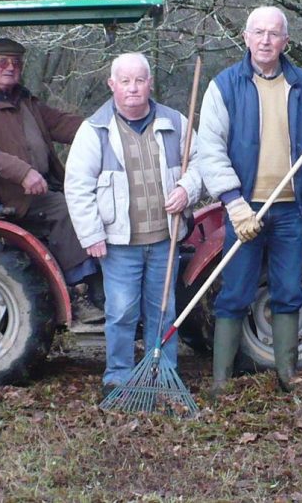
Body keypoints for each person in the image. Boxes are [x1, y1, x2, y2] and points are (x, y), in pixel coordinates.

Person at [196, 6, 302, 396]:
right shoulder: (225, 86)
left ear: (285, 42)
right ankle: (222, 380)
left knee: (288, 290)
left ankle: (287, 374)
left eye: (274, 34)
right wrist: (233, 202)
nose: (265, 40)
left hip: (292, 210)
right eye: (258, 32)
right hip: (245, 210)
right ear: (245, 37)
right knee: (236, 292)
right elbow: (209, 148)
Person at [63, 53, 203, 394]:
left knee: (163, 310)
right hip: (118, 242)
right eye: (125, 81)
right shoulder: (94, 130)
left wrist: (188, 188)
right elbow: (77, 186)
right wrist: (92, 234)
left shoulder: (176, 123)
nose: (133, 88)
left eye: (139, 80)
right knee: (122, 312)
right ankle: (118, 375)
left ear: (150, 83)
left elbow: (202, 162)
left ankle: (163, 372)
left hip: (164, 239)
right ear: (112, 85)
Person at [0, 37, 105, 323]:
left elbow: (60, 123)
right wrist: (22, 171)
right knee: (70, 209)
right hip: (9, 195)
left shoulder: (22, 99)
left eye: (16, 63)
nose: (10, 68)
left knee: (101, 198)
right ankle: (83, 291)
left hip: (44, 186)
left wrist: (104, 127)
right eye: (3, 62)